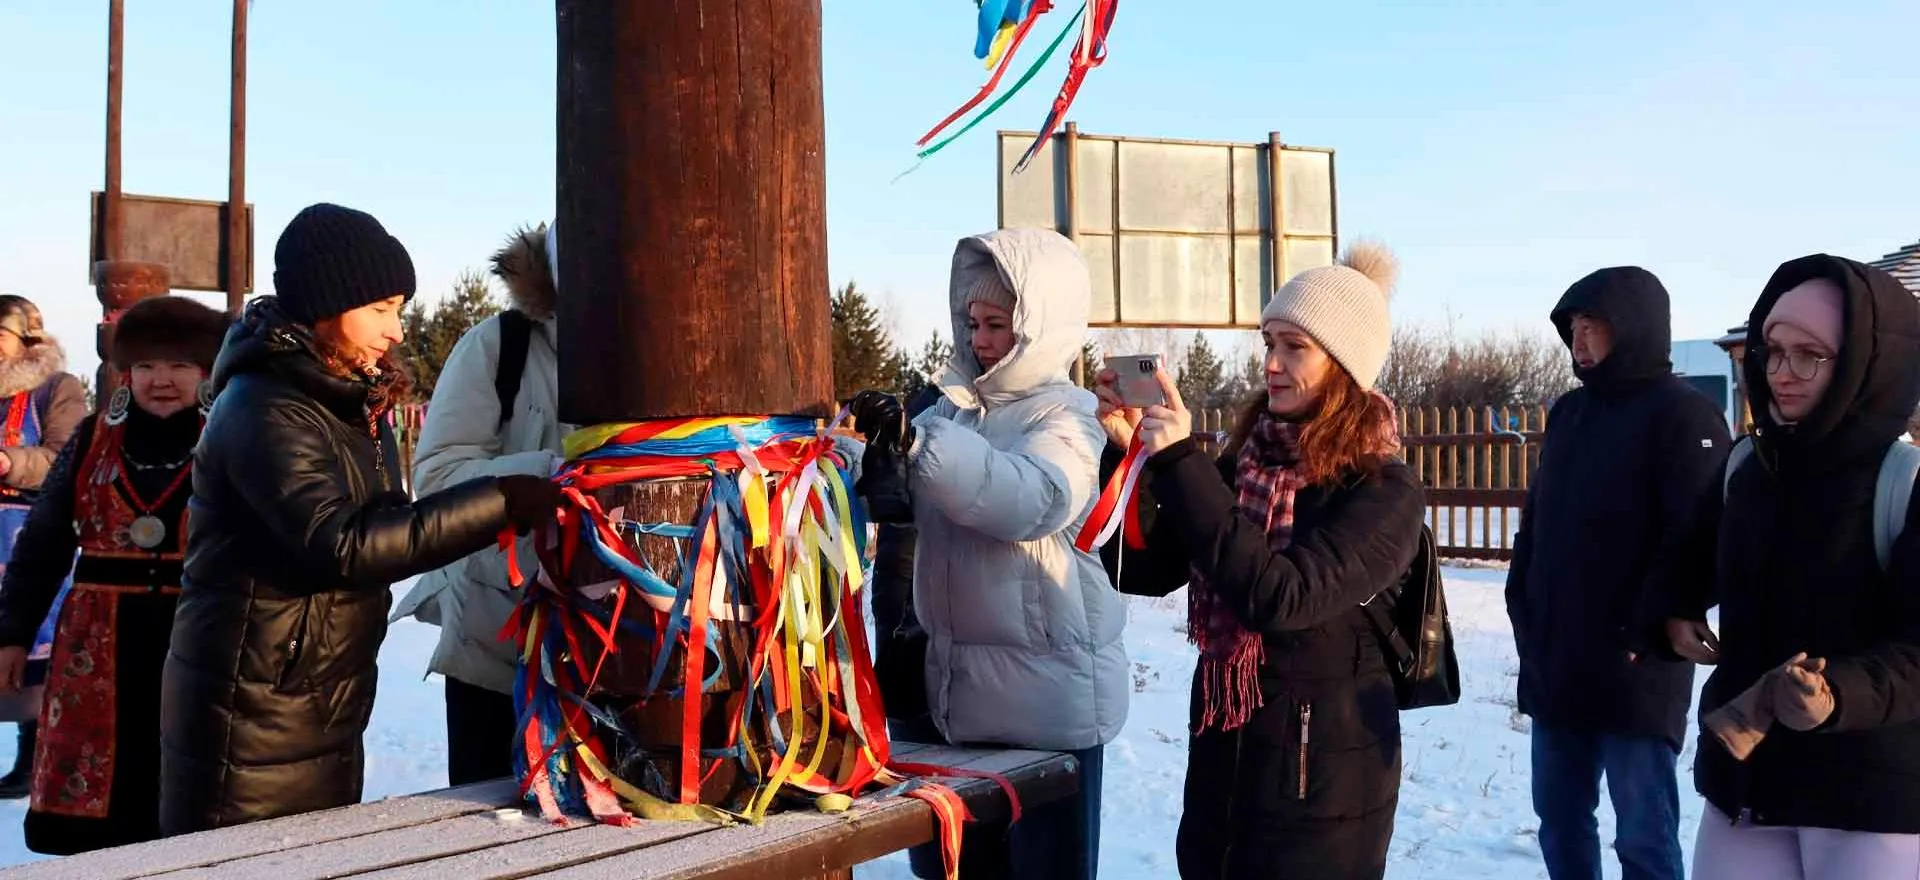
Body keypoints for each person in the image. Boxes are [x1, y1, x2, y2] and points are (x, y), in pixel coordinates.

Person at [159, 203, 565, 836]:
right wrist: (506, 497)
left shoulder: (335, 399)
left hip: (308, 689)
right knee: (250, 861)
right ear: (326, 304)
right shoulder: (267, 409)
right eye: (381, 309)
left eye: (399, 309)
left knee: (305, 852)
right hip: (253, 706)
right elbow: (345, 543)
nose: (398, 330)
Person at [1094, 242, 1423, 879]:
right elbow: (1145, 569)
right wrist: (1130, 460)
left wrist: (1180, 462)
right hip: (1227, 767)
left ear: (1345, 363)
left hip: (1319, 790)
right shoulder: (1245, 463)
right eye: (1268, 342)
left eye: (1294, 346)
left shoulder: (1384, 491)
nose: (1271, 363)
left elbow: (1281, 598)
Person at [847, 227, 1126, 880]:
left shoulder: (1068, 419)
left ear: (1040, 325)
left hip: (1047, 720)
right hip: (959, 708)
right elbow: (909, 498)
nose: (980, 340)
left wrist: (920, 446)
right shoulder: (958, 414)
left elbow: (1033, 498)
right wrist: (856, 458)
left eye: (998, 324)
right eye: (973, 322)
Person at [1667, 255, 1920, 880]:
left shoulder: (1905, 480)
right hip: (1748, 779)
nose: (1783, 372)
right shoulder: (1749, 466)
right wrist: (1672, 608)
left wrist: (1837, 696)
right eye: (1773, 350)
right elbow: (1693, 555)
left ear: (1865, 359)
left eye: (1810, 354)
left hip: (1868, 791)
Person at [1504, 266, 1730, 880]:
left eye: (1593, 326)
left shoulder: (1685, 416)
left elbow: (1702, 535)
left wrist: (1658, 621)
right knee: (1559, 817)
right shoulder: (1569, 413)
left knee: (1643, 834)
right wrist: (1522, 598)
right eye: (1573, 328)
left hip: (1639, 661)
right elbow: (1539, 520)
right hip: (1559, 654)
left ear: (1633, 329)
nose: (1579, 341)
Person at [0, 294, 228, 853]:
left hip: (196, 633)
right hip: (96, 643)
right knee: (100, 795)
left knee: (185, 791)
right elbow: (45, 544)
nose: (161, 380)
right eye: (146, 366)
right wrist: (12, 633)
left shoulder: (231, 439)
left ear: (206, 371)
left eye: (179, 365)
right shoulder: (92, 439)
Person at [393, 222, 566, 785]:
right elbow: (440, 476)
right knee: (493, 823)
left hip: (646, 644)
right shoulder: (499, 346)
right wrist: (557, 476)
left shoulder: (688, 350)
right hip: (499, 643)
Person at [0, 295, 89, 800]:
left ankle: (34, 756)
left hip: (25, 533)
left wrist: (9, 462)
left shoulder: (54, 388)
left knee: (32, 648)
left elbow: (63, 457)